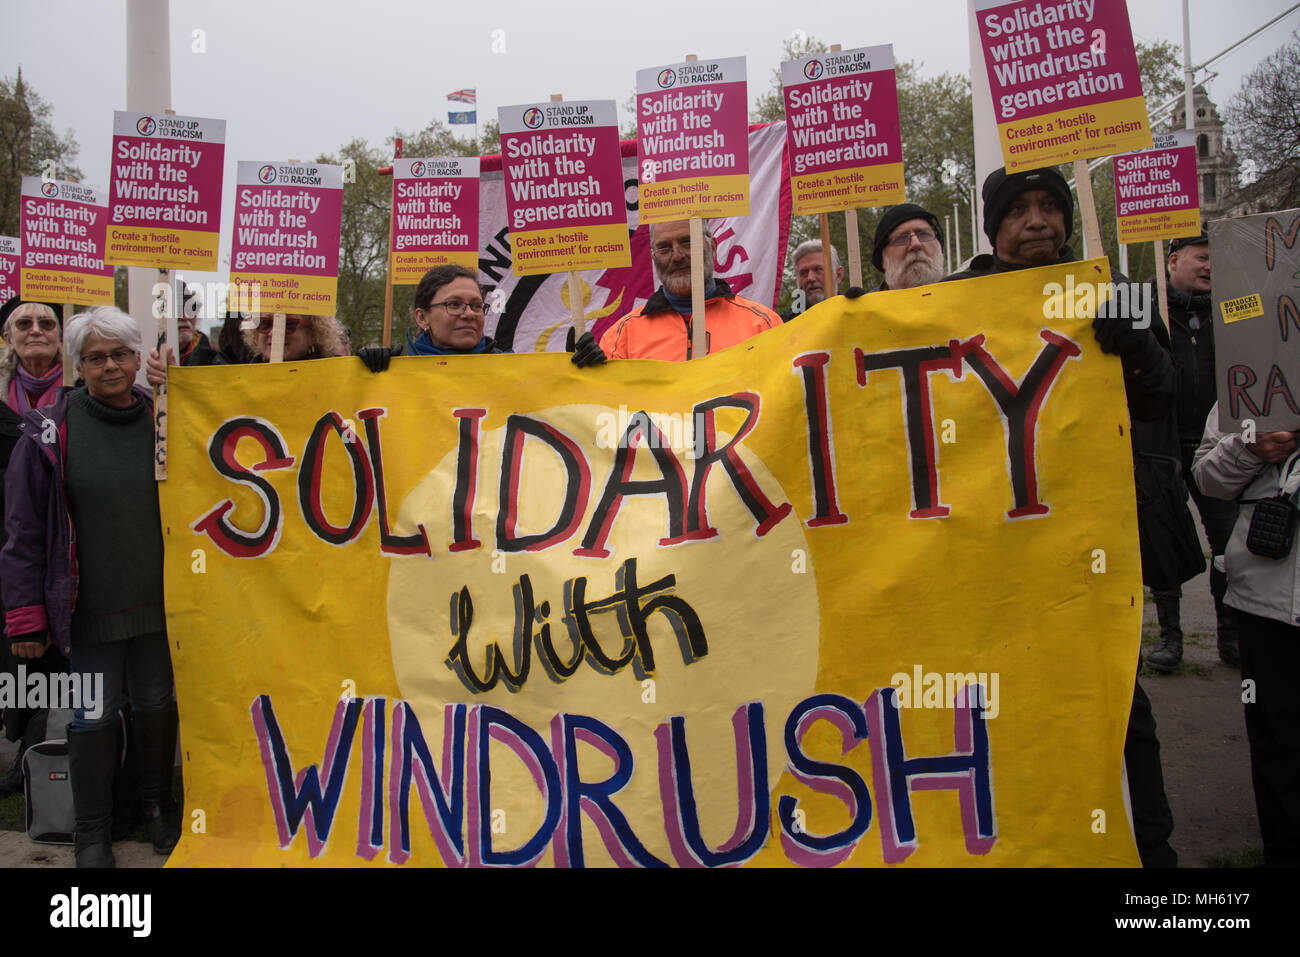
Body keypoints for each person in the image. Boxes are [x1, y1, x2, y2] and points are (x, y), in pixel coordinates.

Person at [947, 165, 1179, 867]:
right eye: (1019, 210)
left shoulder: (1115, 289)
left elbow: (1164, 396)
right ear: (994, 228)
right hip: (989, 549)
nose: (1038, 221)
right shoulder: (949, 303)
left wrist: (1133, 342)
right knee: (1004, 704)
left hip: (1087, 548)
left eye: (1051, 205)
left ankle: (1151, 853)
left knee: (1114, 699)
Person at [1, 306, 178, 867]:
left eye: (121, 354)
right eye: (96, 357)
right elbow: (23, 533)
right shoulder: (50, 434)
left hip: (161, 608)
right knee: (93, 718)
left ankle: (155, 808)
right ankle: (92, 831)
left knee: (156, 706)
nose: (110, 366)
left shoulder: (167, 419)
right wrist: (25, 617)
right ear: (76, 363)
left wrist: (185, 384)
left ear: (137, 358)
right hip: (89, 612)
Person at [1192, 408, 1300, 865]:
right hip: (1265, 598)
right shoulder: (1254, 372)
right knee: (1277, 741)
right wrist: (1250, 447)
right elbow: (1208, 478)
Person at [1148, 233, 1239, 671]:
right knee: (1164, 542)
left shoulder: (1233, 310)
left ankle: (1231, 634)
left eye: (1215, 262)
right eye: (1202, 259)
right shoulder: (1146, 309)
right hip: (1162, 446)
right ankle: (1170, 637)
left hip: (1215, 447)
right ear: (1173, 260)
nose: (1209, 269)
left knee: (1229, 543)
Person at [0, 300, 70, 797]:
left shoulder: (84, 389)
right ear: (8, 338)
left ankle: (58, 754)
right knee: (18, 661)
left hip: (65, 545)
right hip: (11, 549)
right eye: (24, 323)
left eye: (47, 323)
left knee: (62, 663)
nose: (36, 330)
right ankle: (25, 752)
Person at [572, 219, 781, 365]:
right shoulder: (621, 338)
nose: (677, 256)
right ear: (653, 257)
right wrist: (582, 377)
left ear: (713, 246)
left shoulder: (763, 326)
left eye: (687, 242)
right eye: (664, 248)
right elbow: (605, 412)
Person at [357, 264, 509, 372]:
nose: (469, 314)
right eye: (454, 304)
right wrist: (366, 377)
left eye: (476, 305)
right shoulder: (396, 375)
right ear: (422, 317)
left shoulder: (513, 371)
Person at [148, 310, 350, 381]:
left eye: (288, 324)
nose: (273, 332)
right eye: (264, 324)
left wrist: (376, 368)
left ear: (313, 331)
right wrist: (171, 382)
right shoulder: (232, 381)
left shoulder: (340, 379)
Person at [871, 203, 946, 291]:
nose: (916, 244)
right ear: (883, 260)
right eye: (901, 238)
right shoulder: (867, 304)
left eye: (924, 235)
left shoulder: (963, 298)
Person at [780, 239, 844, 320]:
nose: (810, 278)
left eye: (818, 270)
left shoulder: (856, 314)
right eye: (803, 273)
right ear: (797, 281)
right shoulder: (783, 324)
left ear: (838, 275)